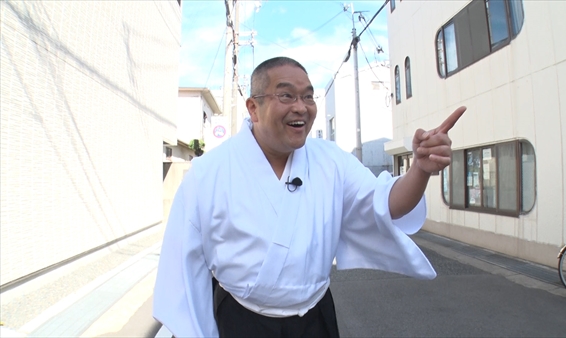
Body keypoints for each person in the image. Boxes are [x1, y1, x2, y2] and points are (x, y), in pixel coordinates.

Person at [153, 56, 466, 337]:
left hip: (315, 319)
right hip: (242, 321)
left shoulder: (332, 161)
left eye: (308, 96)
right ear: (254, 108)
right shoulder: (210, 171)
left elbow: (386, 204)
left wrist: (420, 171)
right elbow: (183, 265)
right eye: (286, 95)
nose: (301, 106)